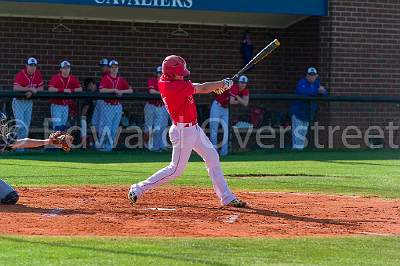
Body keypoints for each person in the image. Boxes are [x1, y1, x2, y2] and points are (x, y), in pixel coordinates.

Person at [128, 55, 246, 208]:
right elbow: (202, 88)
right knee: (175, 170)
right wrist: (223, 83)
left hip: (193, 128)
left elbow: (199, 87)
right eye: (179, 72)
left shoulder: (172, 81)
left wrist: (219, 86)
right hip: (183, 131)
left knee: (212, 157)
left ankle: (227, 197)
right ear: (171, 73)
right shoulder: (171, 86)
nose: (182, 74)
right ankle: (138, 188)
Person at [210, 75, 250, 156]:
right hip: (217, 106)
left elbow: (246, 103)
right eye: (241, 82)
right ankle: (213, 152)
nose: (243, 84)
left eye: (245, 83)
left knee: (226, 129)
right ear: (238, 82)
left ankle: (224, 153)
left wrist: (237, 96)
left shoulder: (245, 91)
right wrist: (239, 98)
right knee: (214, 129)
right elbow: (232, 101)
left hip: (225, 108)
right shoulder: (234, 87)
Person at [98, 60, 133, 151]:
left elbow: (130, 90)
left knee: (114, 128)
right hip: (107, 105)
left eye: (116, 67)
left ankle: (109, 147)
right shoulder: (105, 78)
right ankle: (102, 145)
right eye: (112, 67)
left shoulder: (120, 79)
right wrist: (114, 90)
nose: (114, 69)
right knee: (107, 127)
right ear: (109, 69)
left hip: (117, 106)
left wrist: (121, 91)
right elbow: (101, 90)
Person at [290, 67, 328, 150]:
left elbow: (325, 93)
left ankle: (298, 152)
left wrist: (322, 92)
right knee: (298, 135)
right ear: (306, 75)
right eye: (310, 75)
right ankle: (296, 153)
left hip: (308, 114)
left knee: (303, 134)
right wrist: (317, 92)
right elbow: (302, 92)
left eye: (314, 75)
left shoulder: (316, 84)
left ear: (316, 76)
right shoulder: (302, 82)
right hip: (298, 114)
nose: (312, 77)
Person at [12, 57, 44, 140]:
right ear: (26, 65)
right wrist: (29, 89)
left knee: (26, 125)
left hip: (29, 102)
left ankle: (22, 147)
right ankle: (17, 146)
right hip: (19, 102)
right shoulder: (21, 74)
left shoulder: (37, 74)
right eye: (30, 65)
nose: (33, 67)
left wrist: (33, 91)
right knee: (20, 125)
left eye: (34, 65)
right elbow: (15, 87)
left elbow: (41, 88)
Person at [48, 60, 82, 131]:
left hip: (66, 105)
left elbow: (80, 89)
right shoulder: (56, 77)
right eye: (64, 68)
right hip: (56, 105)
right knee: (57, 127)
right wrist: (63, 90)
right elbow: (50, 89)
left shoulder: (72, 78)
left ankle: (61, 142)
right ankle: (56, 142)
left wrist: (71, 90)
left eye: (68, 68)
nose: (66, 70)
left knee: (63, 127)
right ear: (61, 69)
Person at [144, 65, 169, 151]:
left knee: (160, 127)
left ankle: (157, 145)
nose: (160, 75)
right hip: (151, 106)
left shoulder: (167, 82)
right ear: (156, 74)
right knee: (149, 127)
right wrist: (163, 93)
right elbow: (151, 91)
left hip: (161, 106)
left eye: (162, 73)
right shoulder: (152, 80)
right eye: (159, 73)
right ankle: (147, 144)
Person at [91, 58, 109, 137]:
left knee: (101, 123)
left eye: (104, 66)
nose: (102, 68)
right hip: (101, 101)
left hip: (106, 102)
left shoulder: (110, 76)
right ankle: (97, 141)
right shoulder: (103, 76)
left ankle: (101, 142)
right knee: (95, 122)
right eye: (101, 66)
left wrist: (96, 86)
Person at [81, 78, 97, 148]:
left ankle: (95, 144)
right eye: (93, 85)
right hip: (86, 120)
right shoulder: (88, 95)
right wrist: (86, 121)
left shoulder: (96, 93)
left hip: (94, 120)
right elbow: (84, 111)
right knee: (84, 124)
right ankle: (84, 145)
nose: (95, 86)